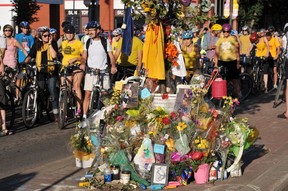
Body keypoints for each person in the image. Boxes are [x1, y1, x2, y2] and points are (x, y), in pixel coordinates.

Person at [23, 26, 59, 121]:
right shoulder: (37, 45)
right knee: (40, 91)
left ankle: (56, 114)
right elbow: (30, 56)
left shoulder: (53, 43)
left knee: (52, 91)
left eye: (49, 35)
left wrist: (50, 44)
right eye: (45, 36)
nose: (47, 37)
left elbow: (54, 56)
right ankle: (39, 111)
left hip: (51, 71)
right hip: (40, 72)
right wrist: (23, 63)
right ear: (40, 37)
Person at [82, 21, 116, 119]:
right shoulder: (87, 41)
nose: (90, 32)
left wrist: (113, 66)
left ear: (98, 31)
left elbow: (111, 55)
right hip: (91, 71)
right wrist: (83, 63)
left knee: (105, 94)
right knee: (87, 93)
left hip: (103, 71)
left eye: (92, 30)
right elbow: (84, 55)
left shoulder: (105, 41)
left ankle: (107, 116)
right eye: (89, 30)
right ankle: (84, 116)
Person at [60, 25, 85, 117]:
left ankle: (78, 109)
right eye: (67, 33)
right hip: (65, 66)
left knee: (76, 86)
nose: (69, 35)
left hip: (76, 66)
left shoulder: (79, 43)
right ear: (65, 34)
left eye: (71, 33)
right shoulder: (63, 43)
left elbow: (84, 57)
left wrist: (76, 58)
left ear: (74, 34)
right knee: (65, 87)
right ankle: (63, 109)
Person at [214, 23, 241, 99]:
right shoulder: (220, 40)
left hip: (232, 61)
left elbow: (237, 51)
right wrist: (216, 64)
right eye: (224, 31)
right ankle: (223, 96)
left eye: (228, 31)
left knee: (234, 79)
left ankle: (238, 95)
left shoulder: (233, 39)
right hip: (222, 61)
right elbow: (216, 53)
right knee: (222, 80)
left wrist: (238, 62)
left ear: (230, 31)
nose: (226, 33)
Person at [0, 27, 12, 136]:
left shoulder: (1, 40)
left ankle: (4, 126)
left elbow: (0, 60)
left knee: (2, 98)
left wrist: (2, 70)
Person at [255, 28, 270, 93]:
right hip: (258, 55)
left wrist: (267, 53)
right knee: (256, 69)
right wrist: (248, 52)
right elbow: (252, 45)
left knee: (265, 71)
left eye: (262, 33)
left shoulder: (264, 38)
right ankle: (255, 83)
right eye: (260, 33)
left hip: (264, 56)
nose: (261, 34)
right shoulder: (257, 39)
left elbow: (267, 45)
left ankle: (266, 87)